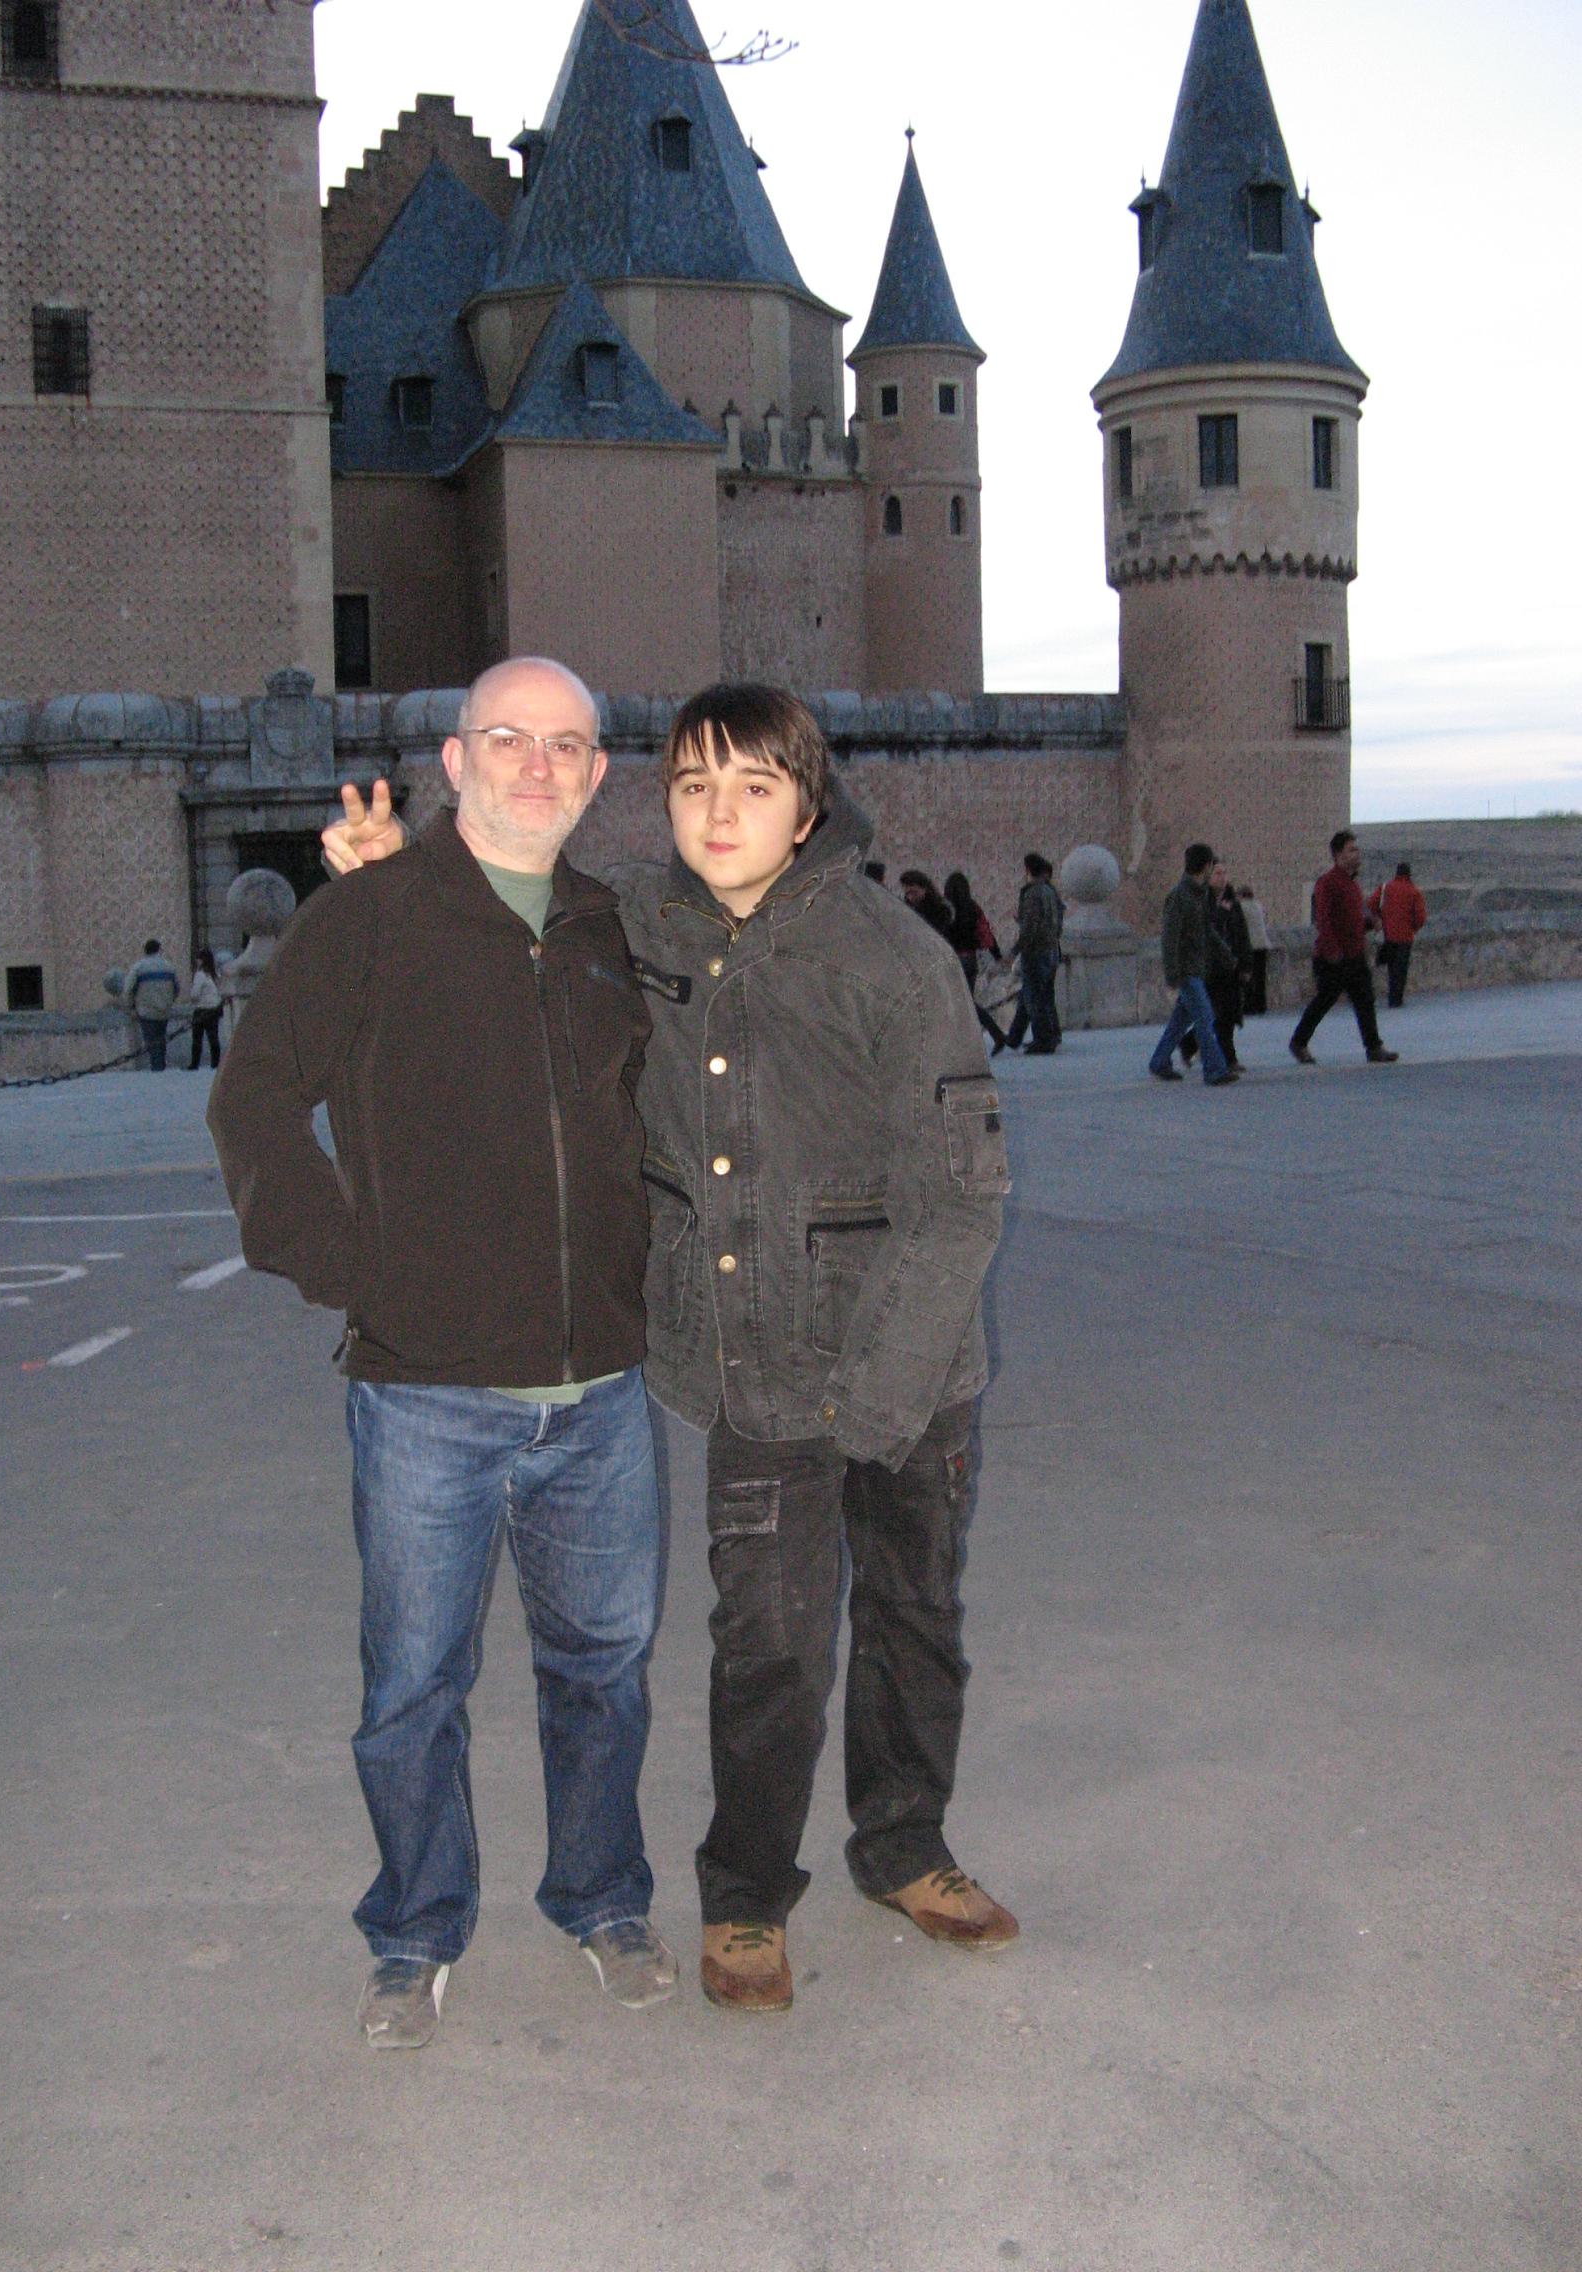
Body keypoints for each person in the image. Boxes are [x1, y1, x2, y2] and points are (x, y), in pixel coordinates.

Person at [327, 685, 1019, 2018]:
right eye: (695, 785)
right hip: (752, 1369)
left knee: (913, 1622)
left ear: (807, 808)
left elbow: (960, 1199)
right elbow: (504, 894)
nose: (720, 813)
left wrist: (875, 1404)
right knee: (766, 1645)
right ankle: (748, 1893)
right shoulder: (631, 918)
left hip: (911, 1368)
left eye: (755, 786)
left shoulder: (895, 958)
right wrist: (399, 860)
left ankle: (903, 1845)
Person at [208, 657, 678, 2054]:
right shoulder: (370, 916)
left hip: (600, 1390)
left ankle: (603, 1897)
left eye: (567, 745)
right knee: (411, 1688)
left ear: (597, 775)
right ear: (456, 761)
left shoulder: (613, 928)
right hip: (425, 1394)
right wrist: (347, 1264)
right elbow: (254, 1101)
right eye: (508, 738)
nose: (538, 764)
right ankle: (413, 1932)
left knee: (604, 1671)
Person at [1290, 830, 1400, 1067]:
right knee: (1324, 1001)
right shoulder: (1327, 883)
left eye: (1356, 849)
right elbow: (1323, 919)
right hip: (1334, 957)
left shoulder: (1352, 884)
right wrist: (1332, 951)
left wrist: (1369, 924)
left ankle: (1374, 1047)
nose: (1356, 854)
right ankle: (1298, 1042)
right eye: (1351, 850)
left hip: (1354, 955)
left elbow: (1352, 920)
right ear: (1338, 855)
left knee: (1365, 999)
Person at [1149, 842, 1239, 1086]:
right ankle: (1215, 1069)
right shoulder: (1180, 896)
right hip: (1186, 970)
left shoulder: (1199, 895)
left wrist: (1226, 955)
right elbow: (1170, 938)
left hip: (1196, 968)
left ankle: (1159, 1061)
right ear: (1207, 866)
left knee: (1180, 1021)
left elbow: (1206, 930)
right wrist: (1172, 974)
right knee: (1205, 1018)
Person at [1179, 862, 1247, 1072]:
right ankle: (1227, 1059)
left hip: (1229, 967)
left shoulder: (1232, 902)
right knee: (1216, 1015)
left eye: (1224, 873)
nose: (1222, 877)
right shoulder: (1202, 902)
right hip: (1209, 968)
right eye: (1217, 873)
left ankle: (1190, 1044)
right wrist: (1221, 915)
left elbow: (1242, 934)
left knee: (1225, 1015)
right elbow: (1205, 931)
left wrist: (1246, 963)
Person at [943, 869, 1012, 1055]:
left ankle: (993, 1034)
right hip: (971, 960)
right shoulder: (973, 908)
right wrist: (997, 956)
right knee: (965, 1003)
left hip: (953, 960)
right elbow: (985, 934)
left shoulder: (945, 909)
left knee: (960, 1003)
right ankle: (988, 1036)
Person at [1009, 854, 1063, 1055]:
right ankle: (1015, 1036)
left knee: (1035, 998)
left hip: (1035, 952)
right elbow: (1054, 921)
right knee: (1037, 995)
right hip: (1050, 949)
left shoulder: (1032, 893)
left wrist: (1015, 950)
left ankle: (1044, 1040)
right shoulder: (1050, 891)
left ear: (1028, 869)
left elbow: (1030, 927)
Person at [1367, 861, 1427, 1008]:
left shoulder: (1385, 888)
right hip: (1405, 937)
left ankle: (1392, 996)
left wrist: (1379, 919)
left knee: (1392, 967)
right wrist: (1413, 928)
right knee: (1401, 969)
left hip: (1388, 935)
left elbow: (1371, 904)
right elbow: (1421, 917)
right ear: (1409, 874)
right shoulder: (1414, 892)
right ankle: (1396, 999)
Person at [123, 938, 178, 1072]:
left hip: (146, 1010)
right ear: (159, 950)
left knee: (151, 1041)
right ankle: (161, 1066)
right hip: (164, 1010)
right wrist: (169, 1001)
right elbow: (176, 988)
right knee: (161, 1039)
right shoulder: (169, 967)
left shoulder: (138, 967)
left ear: (145, 951)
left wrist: (131, 1007)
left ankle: (157, 1068)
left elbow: (128, 989)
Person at [187, 948, 223, 1071]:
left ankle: (194, 1064)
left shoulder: (200, 975)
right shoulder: (215, 975)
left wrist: (192, 997)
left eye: (198, 958)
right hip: (214, 1010)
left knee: (197, 1039)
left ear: (202, 960)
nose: (196, 961)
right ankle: (215, 1063)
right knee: (213, 1038)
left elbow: (194, 994)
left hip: (201, 1010)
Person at [1238, 884, 1271, 1014]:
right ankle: (1261, 1005)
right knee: (1260, 976)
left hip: (1251, 945)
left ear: (1241, 895)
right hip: (1263, 944)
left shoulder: (1242, 907)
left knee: (1249, 976)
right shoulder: (1257, 905)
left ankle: (1250, 1006)